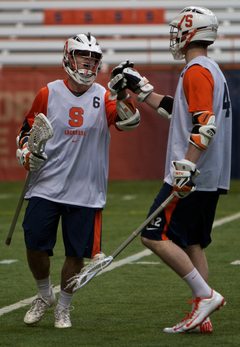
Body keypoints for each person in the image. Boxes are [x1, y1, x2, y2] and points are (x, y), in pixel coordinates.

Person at [108, 6, 232, 334]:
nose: (175, 36)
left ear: (191, 32)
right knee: (192, 243)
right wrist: (142, 90)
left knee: (152, 236)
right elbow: (177, 110)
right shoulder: (210, 69)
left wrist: (186, 165)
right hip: (210, 175)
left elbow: (204, 125)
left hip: (191, 175)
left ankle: (205, 296)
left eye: (180, 30)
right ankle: (202, 316)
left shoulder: (196, 70)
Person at [16, 33, 140, 328]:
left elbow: (129, 121)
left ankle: (63, 306)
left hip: (85, 190)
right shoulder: (48, 93)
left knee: (76, 254)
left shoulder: (105, 95)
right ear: (68, 58)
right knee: (33, 241)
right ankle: (45, 295)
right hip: (46, 184)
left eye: (94, 58)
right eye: (83, 56)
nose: (88, 63)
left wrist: (122, 94)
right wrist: (25, 153)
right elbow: (26, 132)